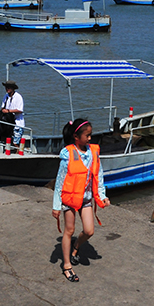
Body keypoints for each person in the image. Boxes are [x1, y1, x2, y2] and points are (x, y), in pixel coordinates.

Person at [52, 118, 109, 283]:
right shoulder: (68, 154)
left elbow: (98, 176)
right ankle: (67, 266)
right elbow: (59, 182)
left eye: (91, 135)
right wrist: (56, 206)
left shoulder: (93, 152)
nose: (90, 138)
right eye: (87, 135)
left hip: (85, 199)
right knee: (68, 230)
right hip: (69, 199)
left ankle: (76, 247)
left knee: (89, 231)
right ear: (76, 137)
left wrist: (103, 195)